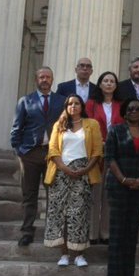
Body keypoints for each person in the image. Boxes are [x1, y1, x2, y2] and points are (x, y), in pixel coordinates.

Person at [44, 95, 103, 267]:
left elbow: (97, 151)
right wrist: (65, 168)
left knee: (79, 214)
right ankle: (64, 254)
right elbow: (53, 150)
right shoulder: (59, 124)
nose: (73, 106)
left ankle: (79, 254)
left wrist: (85, 169)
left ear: (82, 106)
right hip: (61, 174)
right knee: (60, 214)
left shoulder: (91, 124)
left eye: (77, 103)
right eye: (70, 104)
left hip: (83, 173)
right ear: (66, 106)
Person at [10, 66, 66, 247]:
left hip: (53, 154)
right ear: (36, 79)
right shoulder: (26, 101)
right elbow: (17, 127)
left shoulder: (61, 101)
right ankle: (27, 231)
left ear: (52, 79)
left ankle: (53, 231)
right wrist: (19, 150)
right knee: (29, 194)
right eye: (42, 77)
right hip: (30, 153)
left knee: (54, 194)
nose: (45, 80)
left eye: (48, 77)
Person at [104, 99, 139, 276]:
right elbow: (110, 158)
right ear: (125, 112)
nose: (134, 111)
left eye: (138, 109)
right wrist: (124, 179)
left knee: (132, 232)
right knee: (118, 232)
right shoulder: (115, 130)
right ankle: (116, 275)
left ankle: (129, 274)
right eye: (130, 109)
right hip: (118, 185)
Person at [85, 71, 122, 245]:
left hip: (114, 153)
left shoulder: (120, 105)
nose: (108, 84)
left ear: (115, 85)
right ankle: (92, 233)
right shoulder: (91, 104)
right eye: (105, 81)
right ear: (99, 84)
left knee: (109, 194)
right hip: (95, 153)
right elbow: (86, 127)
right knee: (94, 193)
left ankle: (105, 232)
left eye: (112, 81)